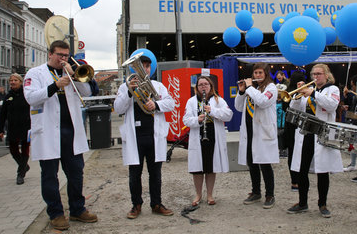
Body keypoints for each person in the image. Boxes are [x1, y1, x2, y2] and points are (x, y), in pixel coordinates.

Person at [23, 40, 97, 231]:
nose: (63, 59)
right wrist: (55, 86)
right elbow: (31, 97)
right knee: (50, 176)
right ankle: (55, 213)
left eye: (66, 56)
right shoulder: (35, 73)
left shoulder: (69, 72)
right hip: (48, 133)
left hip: (71, 133)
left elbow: (87, 91)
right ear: (50, 54)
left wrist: (74, 75)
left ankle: (77, 209)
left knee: (76, 173)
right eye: (60, 55)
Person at [114, 53, 175, 219]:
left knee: (155, 173)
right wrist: (129, 91)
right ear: (134, 68)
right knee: (135, 174)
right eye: (141, 66)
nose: (145, 69)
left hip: (154, 135)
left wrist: (155, 104)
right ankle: (136, 205)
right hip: (135, 136)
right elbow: (118, 108)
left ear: (151, 68)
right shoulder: (124, 86)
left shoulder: (158, 86)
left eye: (147, 66)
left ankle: (156, 203)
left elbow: (171, 103)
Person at [287, 64, 343, 217]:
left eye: (319, 74)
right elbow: (294, 108)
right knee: (302, 169)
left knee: (322, 170)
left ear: (326, 75)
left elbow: (331, 105)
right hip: (306, 133)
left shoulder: (332, 89)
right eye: (313, 74)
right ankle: (302, 202)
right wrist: (297, 95)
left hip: (322, 133)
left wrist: (312, 93)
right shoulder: (309, 90)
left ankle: (322, 204)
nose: (316, 77)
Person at [183, 75, 233, 206]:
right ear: (197, 87)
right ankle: (198, 194)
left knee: (211, 167)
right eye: (200, 85)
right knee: (197, 168)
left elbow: (229, 115)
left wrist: (212, 111)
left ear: (211, 86)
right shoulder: (191, 101)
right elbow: (186, 120)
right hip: (198, 134)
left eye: (206, 84)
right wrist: (197, 120)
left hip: (212, 136)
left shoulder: (218, 100)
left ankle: (210, 194)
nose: (203, 86)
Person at [235, 62, 279, 209]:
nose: (257, 75)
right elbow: (238, 107)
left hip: (263, 131)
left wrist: (249, 88)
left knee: (265, 164)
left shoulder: (271, 88)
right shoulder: (253, 89)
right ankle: (256, 192)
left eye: (260, 73)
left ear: (266, 74)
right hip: (249, 130)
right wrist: (242, 92)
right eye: (255, 73)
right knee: (251, 162)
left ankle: (270, 195)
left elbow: (262, 101)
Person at [0, 74, 31, 184]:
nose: (12, 82)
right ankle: (24, 166)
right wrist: (0, 130)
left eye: (15, 80)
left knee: (25, 149)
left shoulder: (26, 94)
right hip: (12, 127)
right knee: (13, 150)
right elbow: (3, 114)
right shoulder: (8, 96)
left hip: (26, 126)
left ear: (20, 82)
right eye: (11, 80)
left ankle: (20, 174)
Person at [283, 71, 305, 191]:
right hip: (296, 124)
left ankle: (294, 180)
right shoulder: (290, 92)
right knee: (297, 153)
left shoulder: (290, 90)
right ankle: (297, 180)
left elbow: (283, 107)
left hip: (290, 125)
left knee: (292, 153)